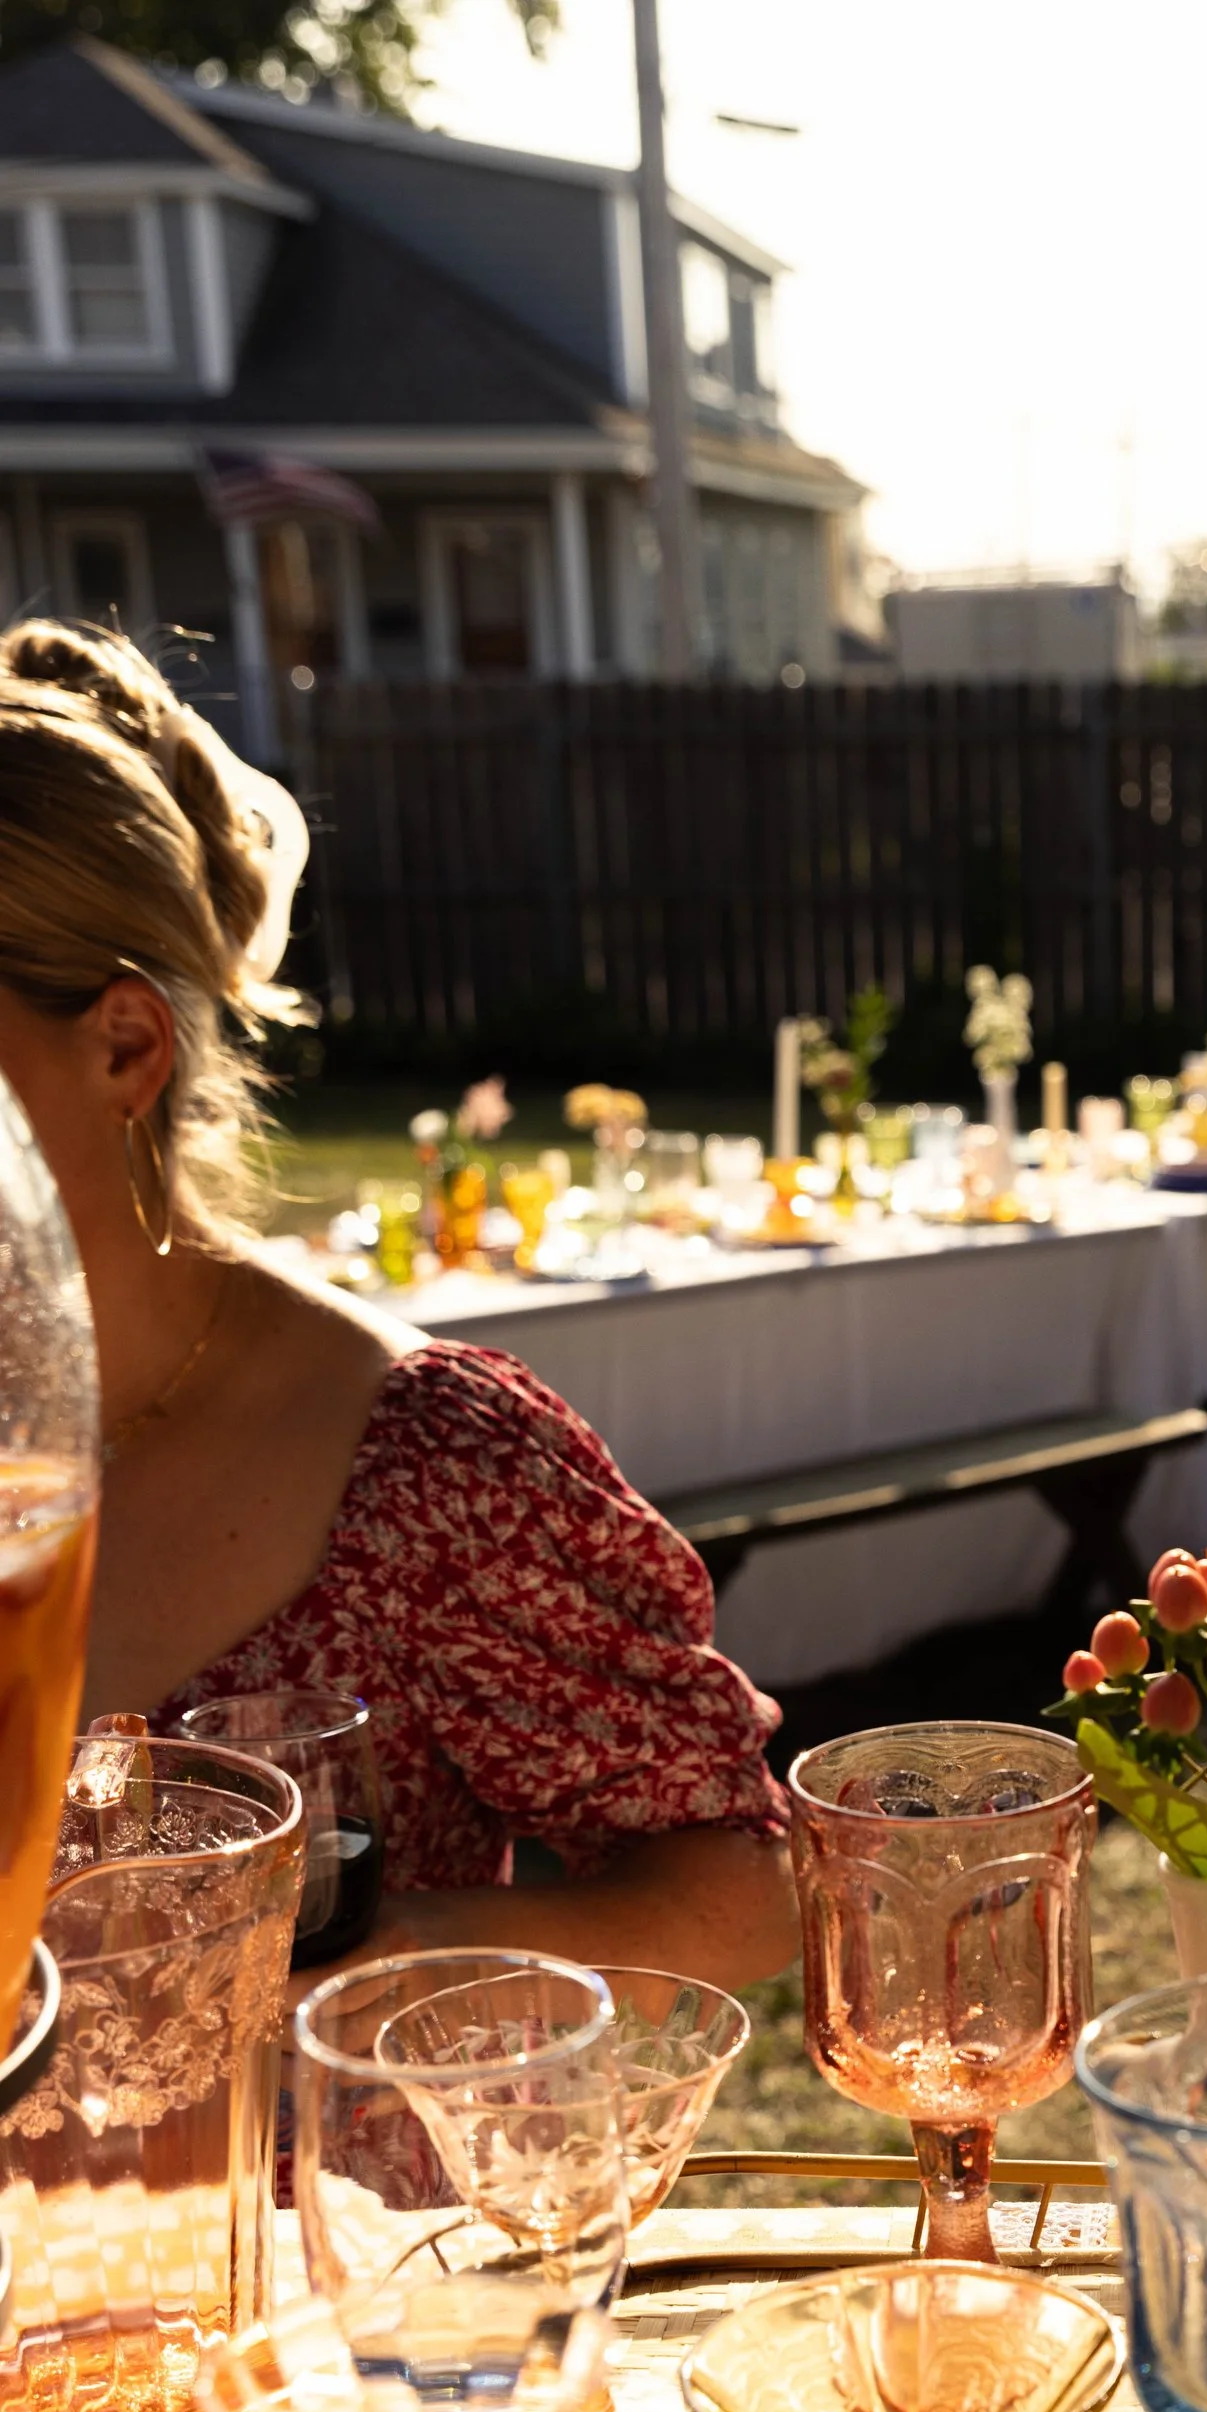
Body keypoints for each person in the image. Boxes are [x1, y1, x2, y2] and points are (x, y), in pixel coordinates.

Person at [0, 622, 793, 1989]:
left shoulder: (426, 1470)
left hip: (327, 2205)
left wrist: (389, 1959)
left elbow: (745, 1892)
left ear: (126, 1044)